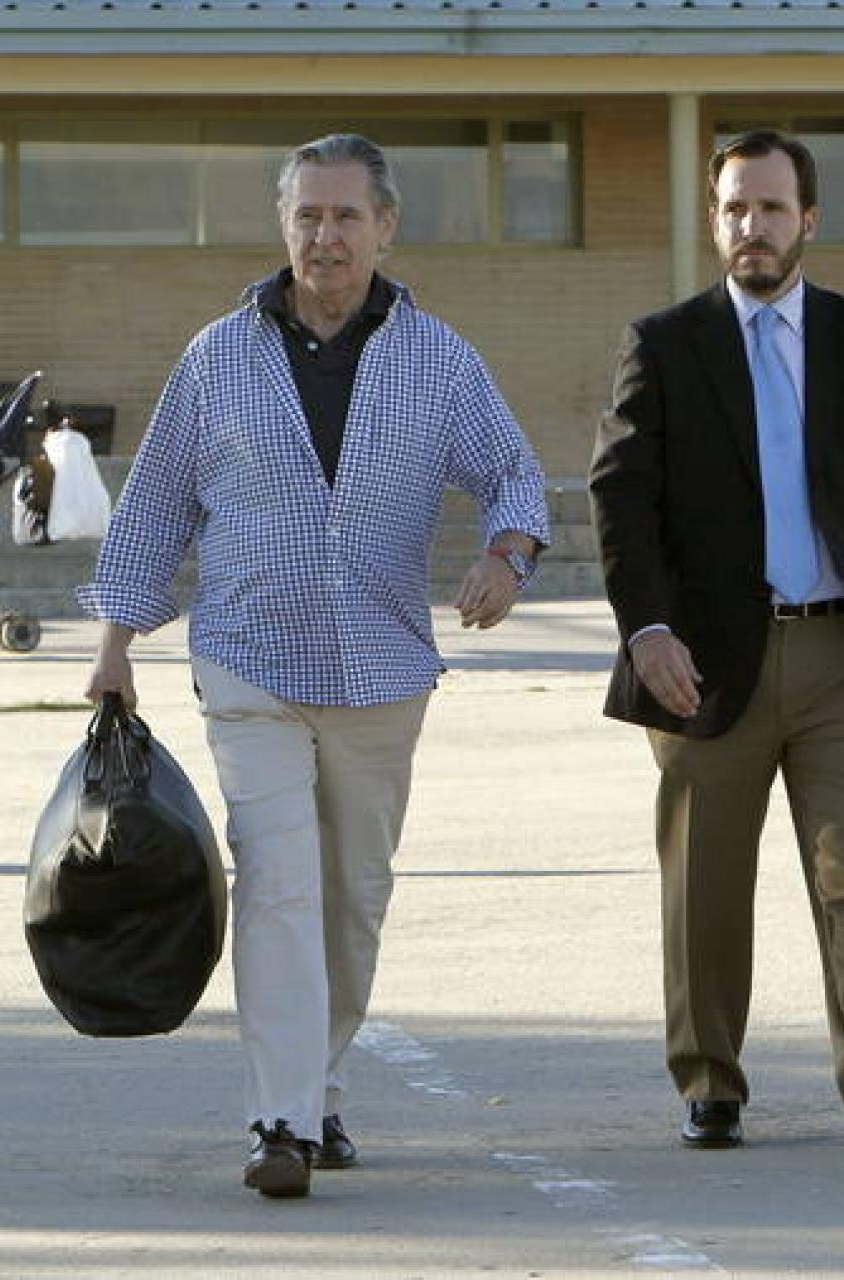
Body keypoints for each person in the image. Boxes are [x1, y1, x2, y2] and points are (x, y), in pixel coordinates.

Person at [81, 133, 548, 1200]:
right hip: (249, 662)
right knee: (280, 886)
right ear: (281, 226)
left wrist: (504, 555)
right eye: (306, 216)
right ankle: (280, 1119)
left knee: (352, 900)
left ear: (385, 227)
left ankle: (319, 1083)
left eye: (345, 217)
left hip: (383, 670)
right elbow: (154, 502)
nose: (324, 236)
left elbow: (514, 477)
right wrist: (115, 643)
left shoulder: (440, 358)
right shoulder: (217, 354)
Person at [589, 129, 844, 1171]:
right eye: (731, 209)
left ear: (807, 219)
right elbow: (621, 498)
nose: (748, 227)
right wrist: (648, 628)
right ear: (712, 220)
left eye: (768, 208)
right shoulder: (663, 344)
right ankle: (708, 1081)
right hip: (705, 665)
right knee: (704, 888)